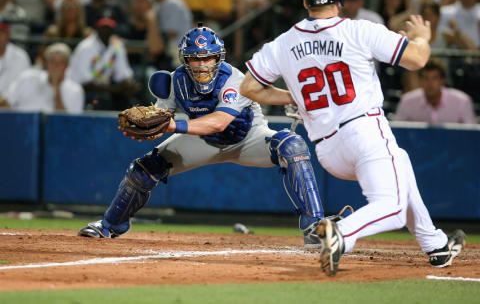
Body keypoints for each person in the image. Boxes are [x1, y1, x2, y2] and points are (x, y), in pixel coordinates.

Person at [239, 0, 466, 276]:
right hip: (364, 133)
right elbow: (418, 60)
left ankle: (435, 244)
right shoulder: (360, 30)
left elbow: (249, 88)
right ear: (340, 0)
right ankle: (342, 233)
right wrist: (422, 38)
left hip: (328, 152)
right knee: (393, 208)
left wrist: (295, 97)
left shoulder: (282, 43)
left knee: (400, 161)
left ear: (306, 3)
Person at [77, 24, 338, 249]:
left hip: (248, 137)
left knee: (291, 146)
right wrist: (152, 123)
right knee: (141, 170)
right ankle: (110, 224)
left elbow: (220, 121)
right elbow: (160, 115)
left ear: (219, 58)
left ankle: (314, 227)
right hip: (204, 141)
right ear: (184, 60)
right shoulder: (173, 81)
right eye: (195, 58)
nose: (202, 64)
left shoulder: (235, 78)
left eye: (208, 58)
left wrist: (171, 126)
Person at [66, 17, 137, 111]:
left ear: (113, 30)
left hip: (105, 88)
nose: (106, 31)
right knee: (100, 100)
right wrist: (116, 90)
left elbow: (122, 74)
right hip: (80, 89)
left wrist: (128, 84)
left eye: (109, 28)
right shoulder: (86, 47)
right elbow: (86, 84)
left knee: (129, 101)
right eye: (103, 28)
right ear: (97, 29)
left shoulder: (117, 45)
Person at [5, 42, 84, 113]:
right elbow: (6, 102)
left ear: (67, 66)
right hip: (21, 125)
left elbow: (66, 122)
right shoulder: (28, 77)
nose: (55, 66)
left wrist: (56, 88)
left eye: (60, 63)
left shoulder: (75, 90)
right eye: (52, 61)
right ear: (46, 64)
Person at [394, 58, 476, 124]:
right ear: (420, 81)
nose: (430, 83)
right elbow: (397, 132)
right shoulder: (407, 101)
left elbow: (471, 136)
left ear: (443, 81)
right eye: (426, 78)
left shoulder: (462, 101)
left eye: (434, 78)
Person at [0, 21, 30, 107]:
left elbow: (24, 85)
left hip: (13, 109)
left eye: (2, 32)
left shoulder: (20, 56)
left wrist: (6, 100)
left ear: (9, 35)